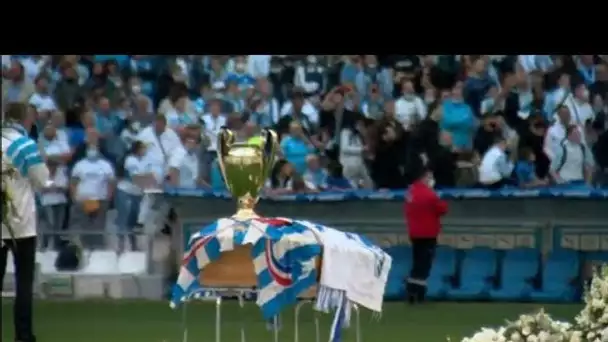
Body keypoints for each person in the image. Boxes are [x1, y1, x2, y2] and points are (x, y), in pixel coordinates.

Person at [1, 102, 51, 342]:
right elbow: (41, 180)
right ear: (26, 119)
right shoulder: (24, 145)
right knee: (23, 283)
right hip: (20, 223)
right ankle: (23, 335)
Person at [403, 167, 447, 304]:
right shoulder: (429, 194)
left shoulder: (411, 192)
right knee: (425, 264)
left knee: (417, 262)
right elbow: (442, 209)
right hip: (428, 234)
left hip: (414, 233)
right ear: (424, 177)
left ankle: (411, 292)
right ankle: (419, 294)